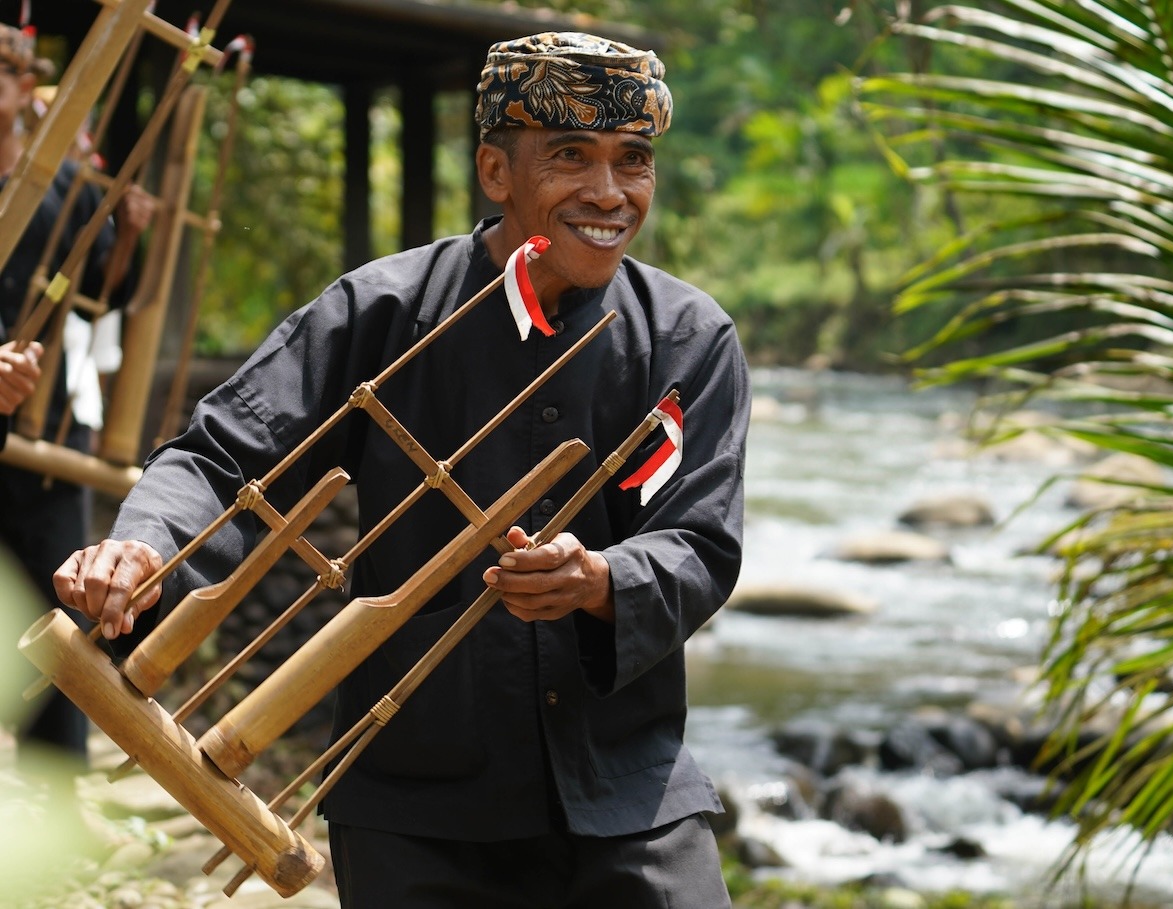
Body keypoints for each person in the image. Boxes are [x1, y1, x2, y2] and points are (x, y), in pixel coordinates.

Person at [54, 32, 751, 908]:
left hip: (628, 789)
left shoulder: (690, 338)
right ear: (496, 172)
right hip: (415, 802)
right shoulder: (377, 312)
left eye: (634, 161)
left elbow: (703, 538)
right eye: (571, 157)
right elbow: (222, 455)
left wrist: (606, 579)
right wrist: (141, 545)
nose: (609, 193)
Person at [0, 21, 154, 773]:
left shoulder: (64, 188)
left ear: (27, 86)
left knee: (60, 609)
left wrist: (125, 236)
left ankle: (54, 784)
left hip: (46, 423)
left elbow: (101, 296)